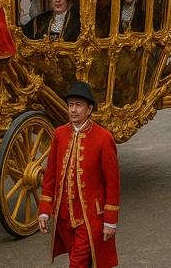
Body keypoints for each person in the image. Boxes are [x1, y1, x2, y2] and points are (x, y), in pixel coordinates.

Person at [38, 81, 121, 268]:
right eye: (70, 105)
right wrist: (44, 210)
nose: (73, 110)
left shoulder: (103, 138)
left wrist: (110, 221)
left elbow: (113, 183)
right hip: (65, 219)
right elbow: (50, 175)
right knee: (83, 260)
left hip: (90, 220)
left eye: (78, 105)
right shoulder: (59, 134)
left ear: (89, 109)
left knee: (77, 264)